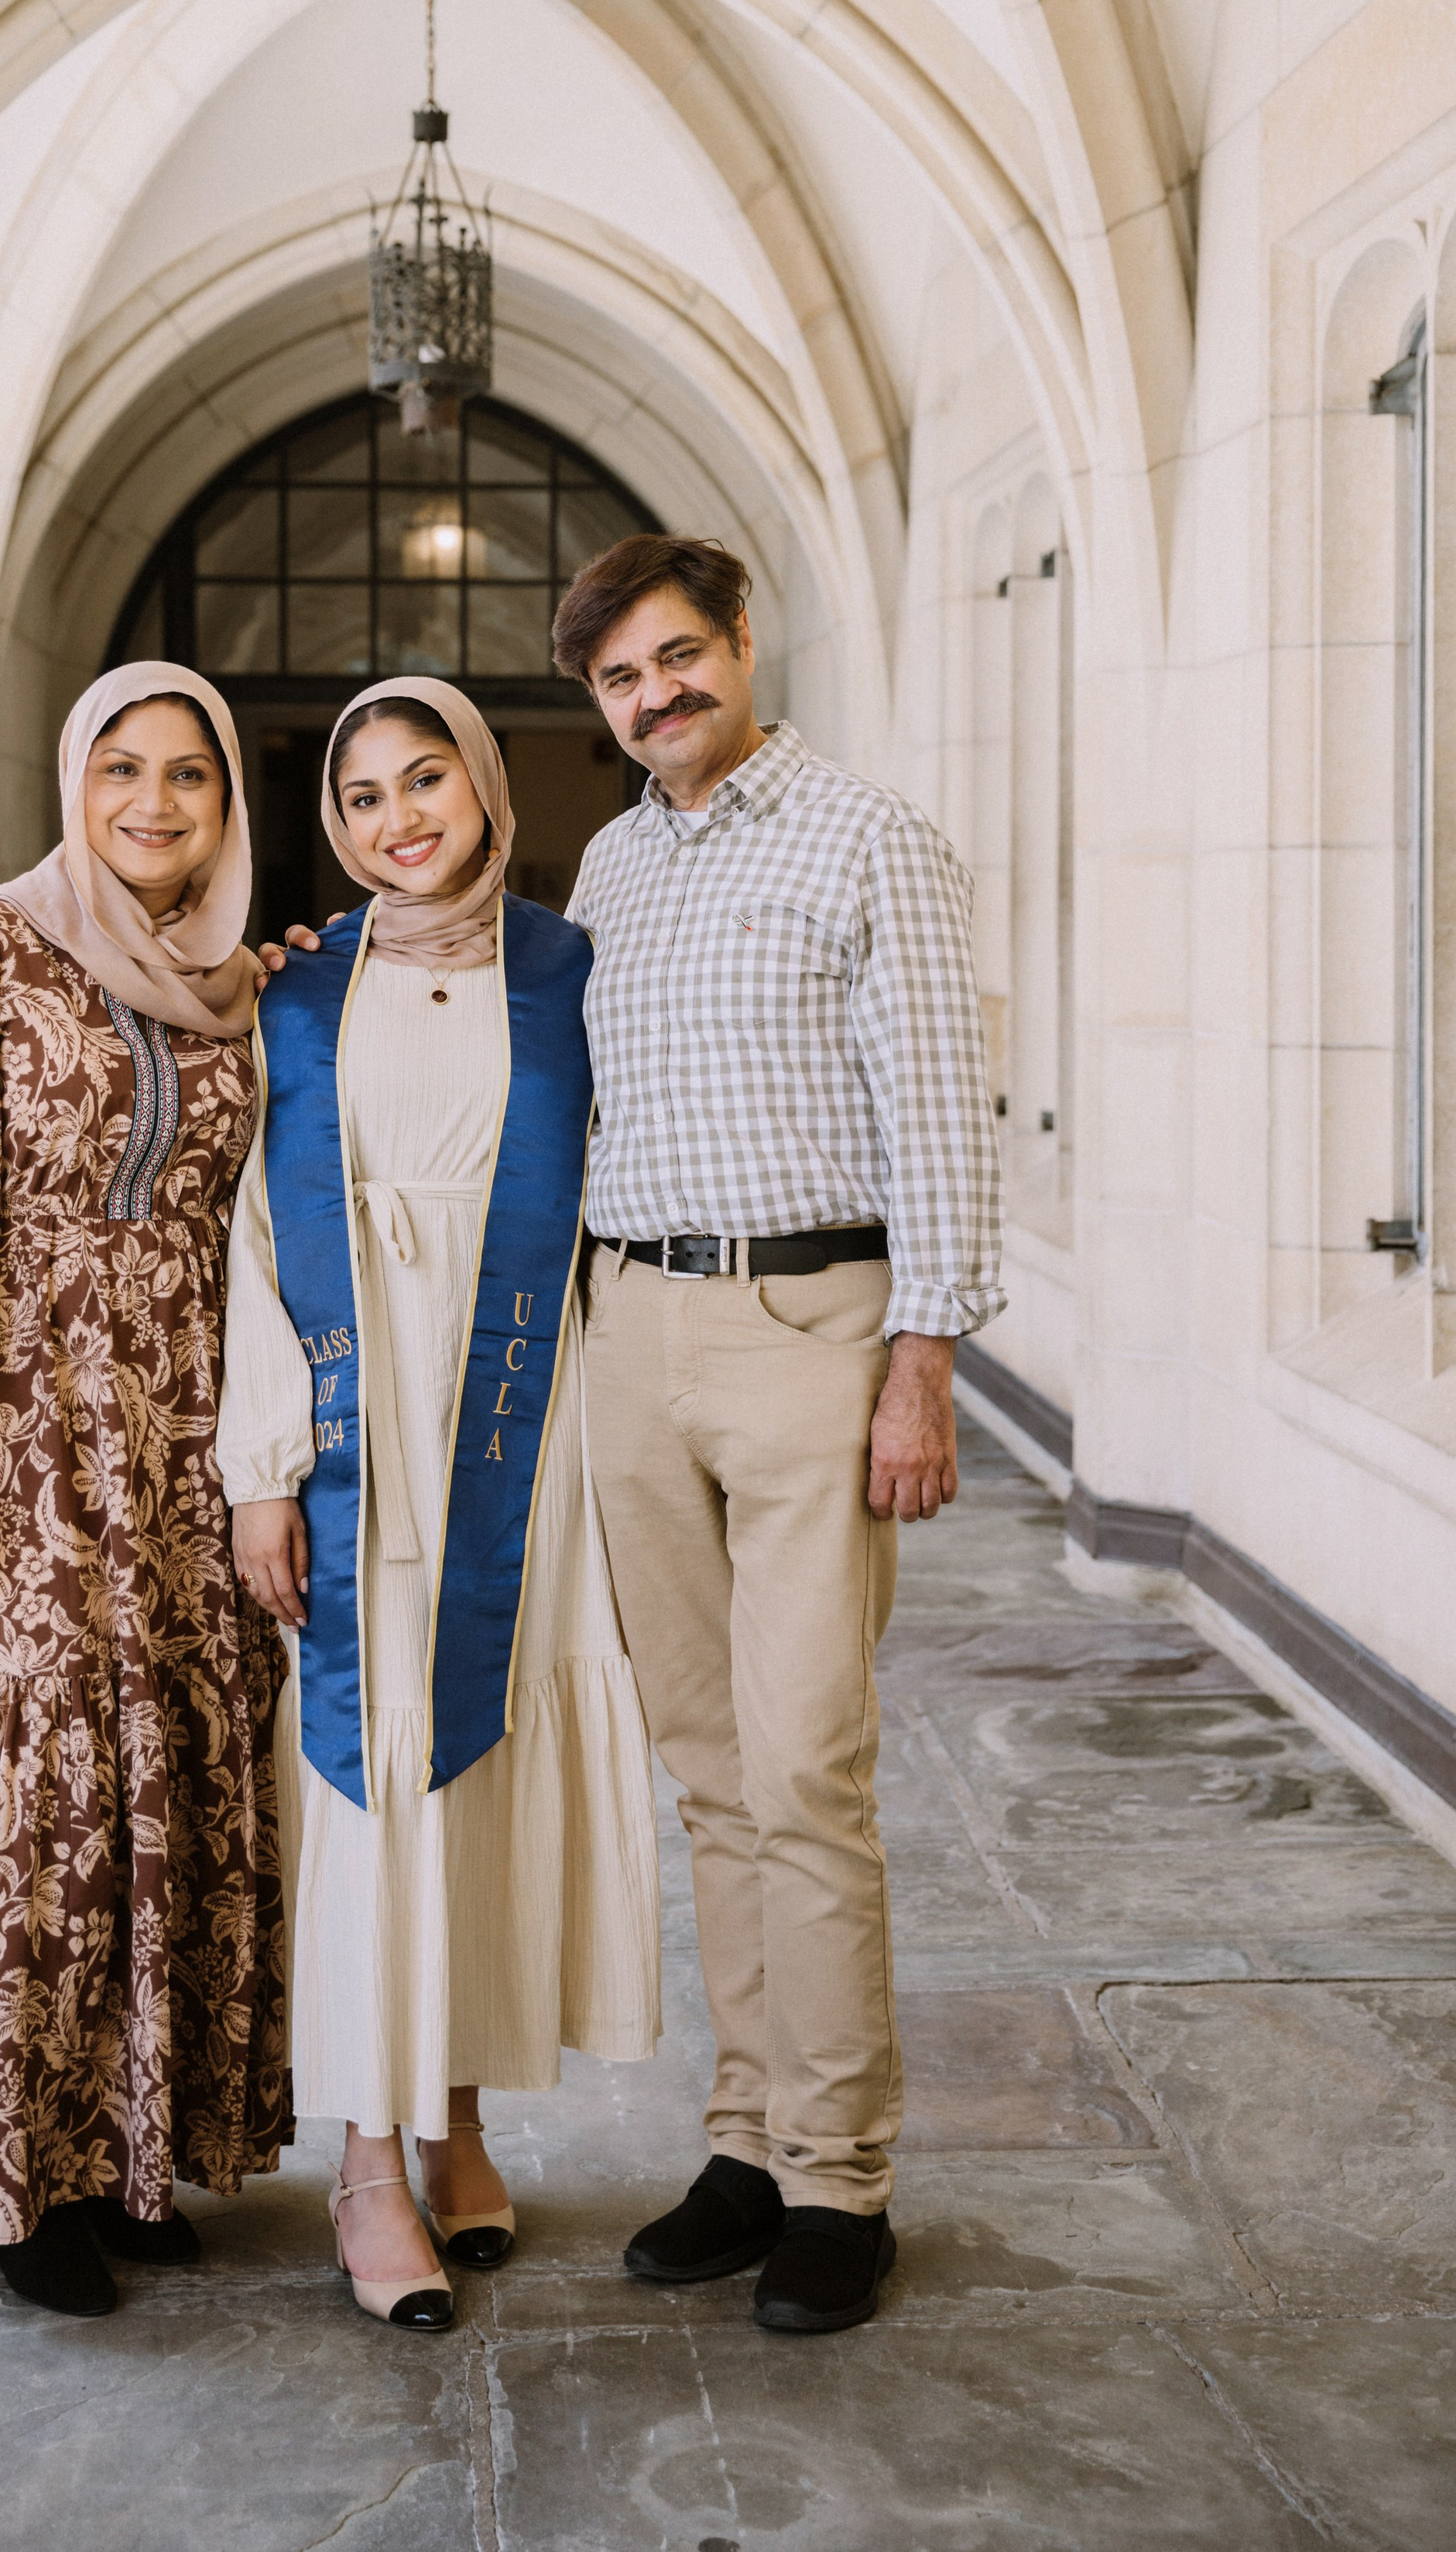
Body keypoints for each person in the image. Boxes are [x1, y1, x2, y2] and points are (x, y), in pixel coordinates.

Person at [553, 533, 1003, 2336]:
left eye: (675, 657)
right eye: (618, 679)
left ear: (741, 640)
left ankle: (838, 2178)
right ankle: (743, 2144)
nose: (653, 696)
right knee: (708, 1774)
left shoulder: (867, 837)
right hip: (630, 1331)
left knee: (805, 1766)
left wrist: (921, 1363)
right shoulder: (608, 863)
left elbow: (941, 1112)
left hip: (812, 1332)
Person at [0, 661, 293, 2320]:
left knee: (161, 1765)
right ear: (73, 786)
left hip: (185, 1428)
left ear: (226, 805)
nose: (154, 803)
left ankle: (127, 2149)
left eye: (189, 774)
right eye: (122, 769)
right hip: (25, 1428)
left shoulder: (240, 985)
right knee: (38, 1784)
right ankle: (15, 2177)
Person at [219, 679, 661, 2332]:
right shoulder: (292, 989)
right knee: (369, 1766)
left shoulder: (570, 971)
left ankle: (459, 2113)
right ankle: (363, 2161)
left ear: (482, 786)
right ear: (332, 825)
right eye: (363, 794)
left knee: (484, 1754)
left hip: (519, 1419)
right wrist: (264, 1467)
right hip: (359, 1423)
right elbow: (249, 1238)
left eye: (426, 780)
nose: (398, 817)